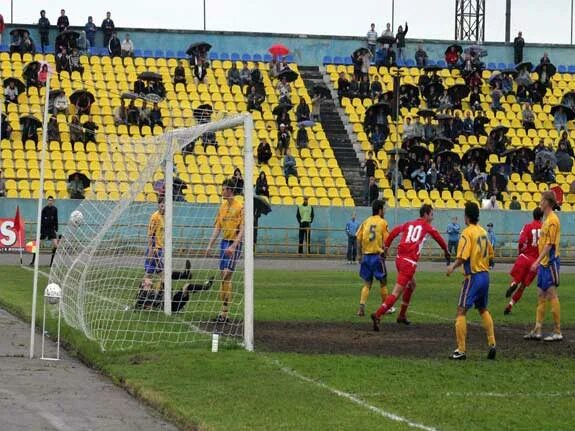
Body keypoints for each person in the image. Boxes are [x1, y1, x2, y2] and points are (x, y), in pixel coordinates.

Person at [371, 204, 450, 329]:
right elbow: (439, 238)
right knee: (396, 292)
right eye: (432, 214)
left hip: (399, 259)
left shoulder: (408, 224)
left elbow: (393, 233)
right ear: (426, 215)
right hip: (409, 263)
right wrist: (446, 251)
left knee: (412, 285)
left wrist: (386, 248)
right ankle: (378, 314)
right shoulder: (427, 226)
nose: (433, 217)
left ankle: (402, 316)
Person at [446, 202, 496, 360]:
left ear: (466, 217)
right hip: (485, 276)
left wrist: (452, 267)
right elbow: (490, 254)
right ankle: (492, 343)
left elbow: (462, 256)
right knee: (483, 309)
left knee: (461, 311)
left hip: (472, 277)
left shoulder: (467, 233)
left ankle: (461, 350)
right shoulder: (483, 232)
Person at [524, 192, 562, 341]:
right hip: (544, 264)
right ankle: (538, 329)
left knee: (552, 295)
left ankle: (557, 331)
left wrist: (537, 261)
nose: (540, 202)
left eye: (542, 200)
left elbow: (549, 245)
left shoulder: (553, 220)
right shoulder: (547, 220)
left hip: (550, 262)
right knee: (540, 295)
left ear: (547, 202)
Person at [206, 179, 244, 323]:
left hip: (234, 244)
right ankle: (224, 312)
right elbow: (218, 227)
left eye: (224, 189)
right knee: (224, 277)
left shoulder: (240, 207)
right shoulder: (222, 207)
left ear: (230, 191)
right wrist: (210, 245)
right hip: (223, 243)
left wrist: (234, 246)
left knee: (227, 274)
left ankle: (225, 312)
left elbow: (243, 230)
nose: (222, 192)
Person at [504, 207, 543, 315]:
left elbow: (521, 241)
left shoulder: (528, 226)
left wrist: (521, 252)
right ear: (541, 217)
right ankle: (510, 305)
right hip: (535, 262)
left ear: (533, 215)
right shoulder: (544, 228)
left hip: (525, 257)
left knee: (517, 279)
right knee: (523, 287)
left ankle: (513, 284)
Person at [135, 260, 214, 312]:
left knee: (185, 285)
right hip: (171, 306)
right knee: (167, 276)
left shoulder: (148, 291)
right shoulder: (144, 294)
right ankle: (186, 276)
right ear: (144, 284)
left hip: (170, 301)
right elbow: (153, 302)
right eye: (145, 280)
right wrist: (162, 288)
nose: (147, 278)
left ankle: (203, 285)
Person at [29, 196, 59, 267]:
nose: (50, 201)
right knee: (37, 245)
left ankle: (52, 263)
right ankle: (33, 261)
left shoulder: (55, 209)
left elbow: (56, 219)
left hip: (51, 229)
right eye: (49, 200)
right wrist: (41, 231)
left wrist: (56, 229)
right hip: (44, 229)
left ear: (53, 201)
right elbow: (41, 221)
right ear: (47, 201)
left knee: (56, 245)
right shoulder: (44, 210)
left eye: (51, 200)